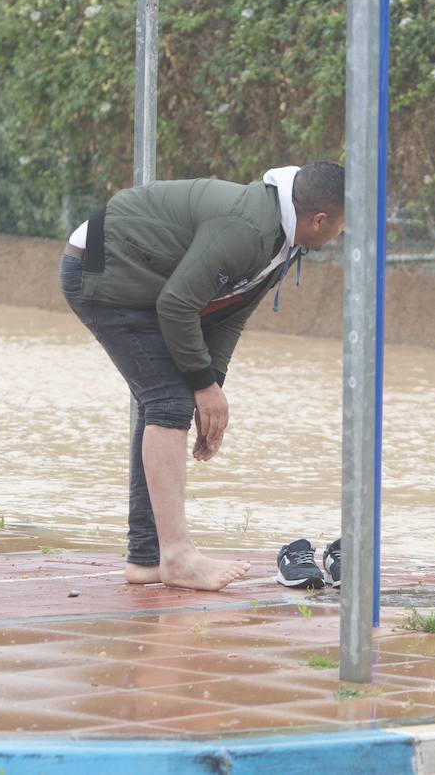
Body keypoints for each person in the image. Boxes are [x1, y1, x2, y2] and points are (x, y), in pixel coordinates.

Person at [60, 161, 346, 591]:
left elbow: (229, 315)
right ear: (319, 220)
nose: (343, 234)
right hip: (104, 270)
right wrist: (199, 386)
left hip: (144, 280)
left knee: (170, 403)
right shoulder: (249, 229)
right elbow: (177, 304)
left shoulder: (283, 239)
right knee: (167, 403)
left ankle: (147, 558)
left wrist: (211, 390)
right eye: (343, 224)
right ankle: (176, 556)